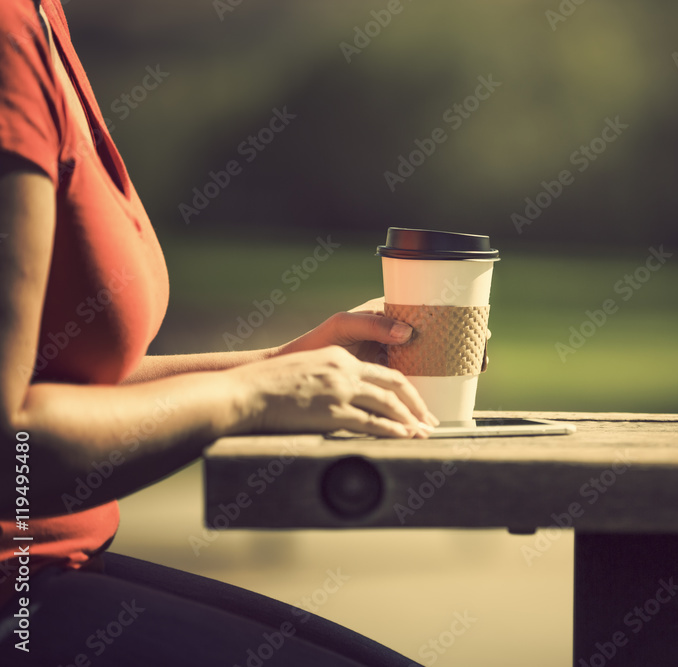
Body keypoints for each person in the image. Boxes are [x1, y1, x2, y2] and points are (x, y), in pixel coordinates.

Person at [0, 1, 436, 664]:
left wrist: (282, 365)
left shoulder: (38, 20)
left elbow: (53, 380)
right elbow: (12, 447)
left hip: (53, 572)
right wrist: (250, 396)